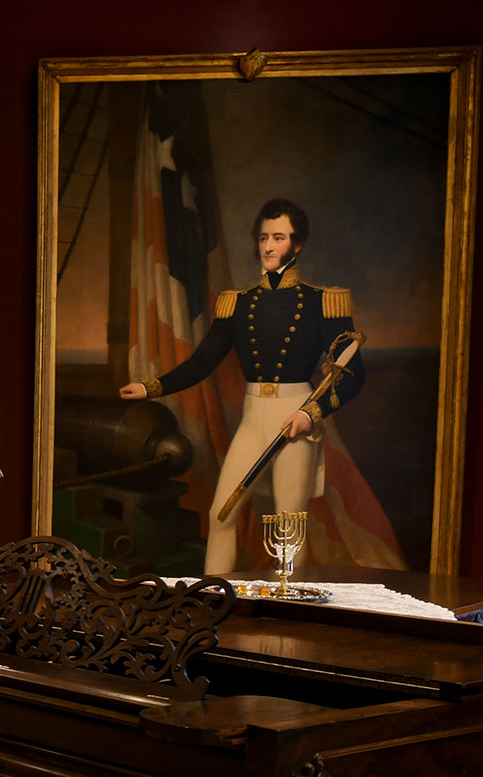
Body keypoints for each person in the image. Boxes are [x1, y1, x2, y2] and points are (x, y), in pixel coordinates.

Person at [120, 198, 363, 574]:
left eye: (278, 238)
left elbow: (351, 375)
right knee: (222, 514)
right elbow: (202, 362)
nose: (267, 246)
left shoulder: (322, 302)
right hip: (253, 421)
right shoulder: (238, 304)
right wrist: (152, 387)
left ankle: (287, 613)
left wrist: (310, 415)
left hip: (295, 420)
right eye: (264, 237)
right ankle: (212, 601)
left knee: (288, 526)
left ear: (296, 245)